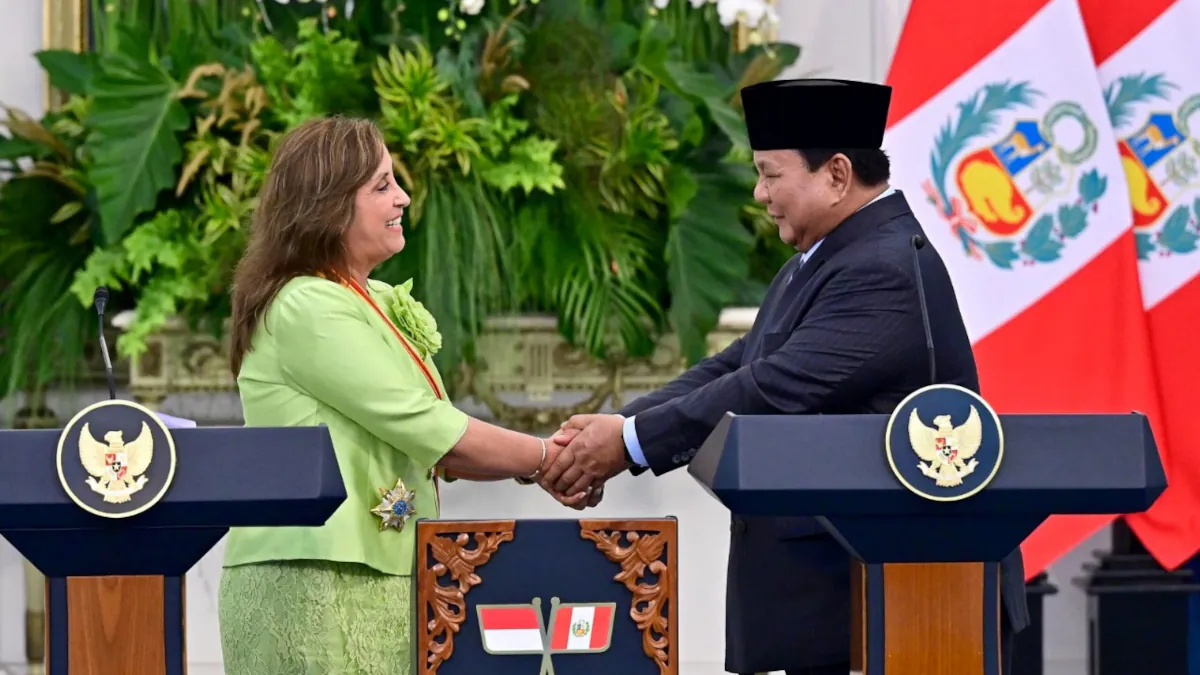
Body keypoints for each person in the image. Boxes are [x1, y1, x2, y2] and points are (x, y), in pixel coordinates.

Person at [543, 79, 1029, 675]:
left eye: (771, 175)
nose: (759, 192)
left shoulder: (882, 269)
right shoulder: (830, 254)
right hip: (839, 603)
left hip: (899, 606)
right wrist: (622, 425)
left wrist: (627, 442)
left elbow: (774, 386)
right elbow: (738, 363)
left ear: (837, 174)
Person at [217, 116, 590, 675]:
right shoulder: (306, 304)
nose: (404, 197)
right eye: (382, 185)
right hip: (315, 576)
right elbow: (428, 429)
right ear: (328, 204)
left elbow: (428, 434)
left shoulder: (376, 298)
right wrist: (547, 458)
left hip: (388, 570)